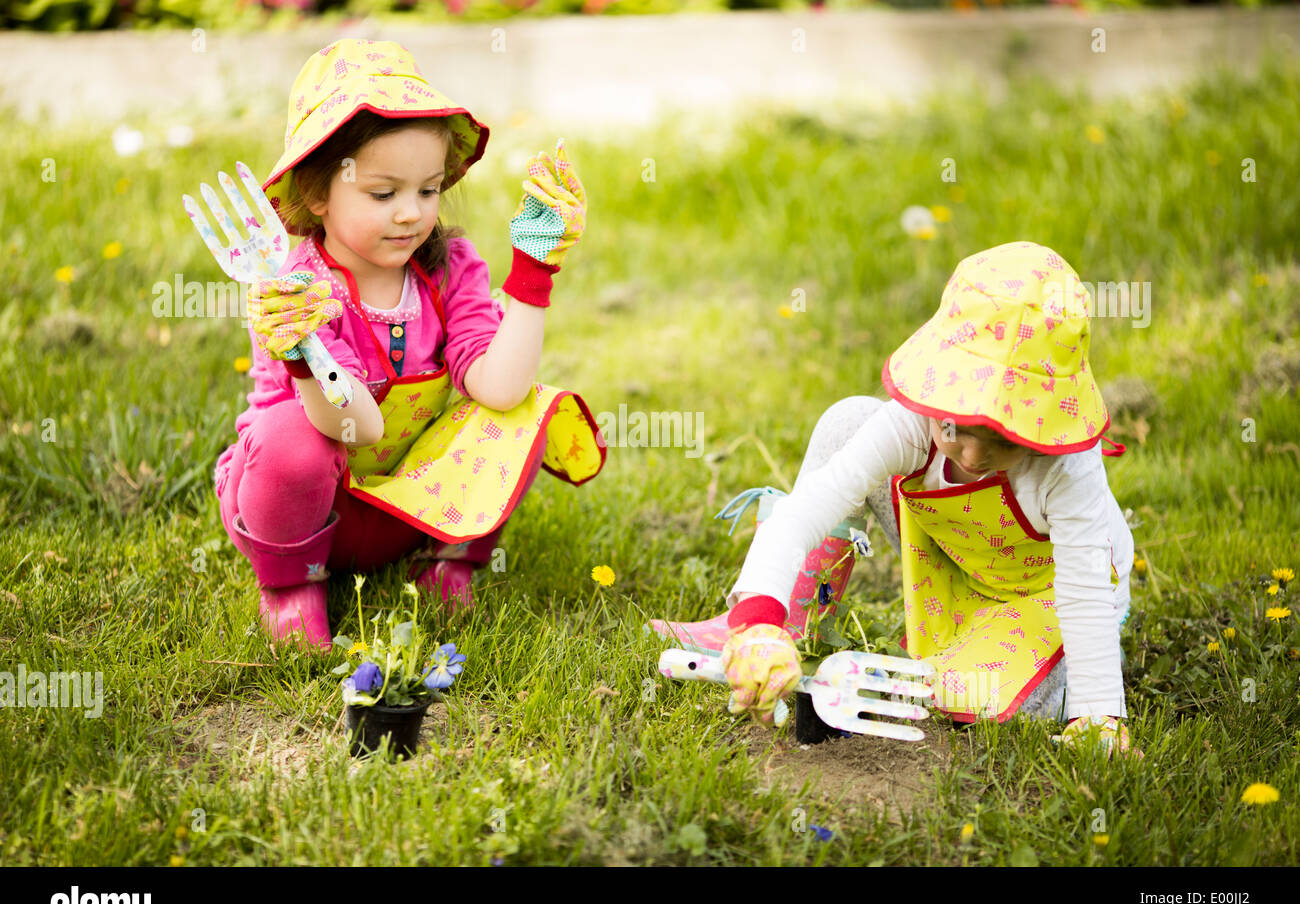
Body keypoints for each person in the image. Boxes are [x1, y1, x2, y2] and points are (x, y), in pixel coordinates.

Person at [652, 241, 1140, 757]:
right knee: (847, 421)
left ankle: (1047, 677)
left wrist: (1098, 715)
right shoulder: (913, 425)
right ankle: (788, 622)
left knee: (967, 699)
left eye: (1003, 440)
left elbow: (1085, 592)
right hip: (961, 563)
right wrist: (757, 621)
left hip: (1042, 596)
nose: (973, 454)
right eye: (961, 429)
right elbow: (806, 510)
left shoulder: (1068, 463)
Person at [213, 39, 605, 651]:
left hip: (408, 508)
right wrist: (302, 351)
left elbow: (501, 387)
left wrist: (532, 268)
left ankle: (448, 558)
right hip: (311, 508)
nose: (410, 214)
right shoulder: (292, 292)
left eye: (427, 191)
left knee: (525, 410)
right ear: (318, 193)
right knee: (288, 439)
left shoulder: (448, 269)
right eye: (383, 193)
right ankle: (293, 587)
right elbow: (359, 429)